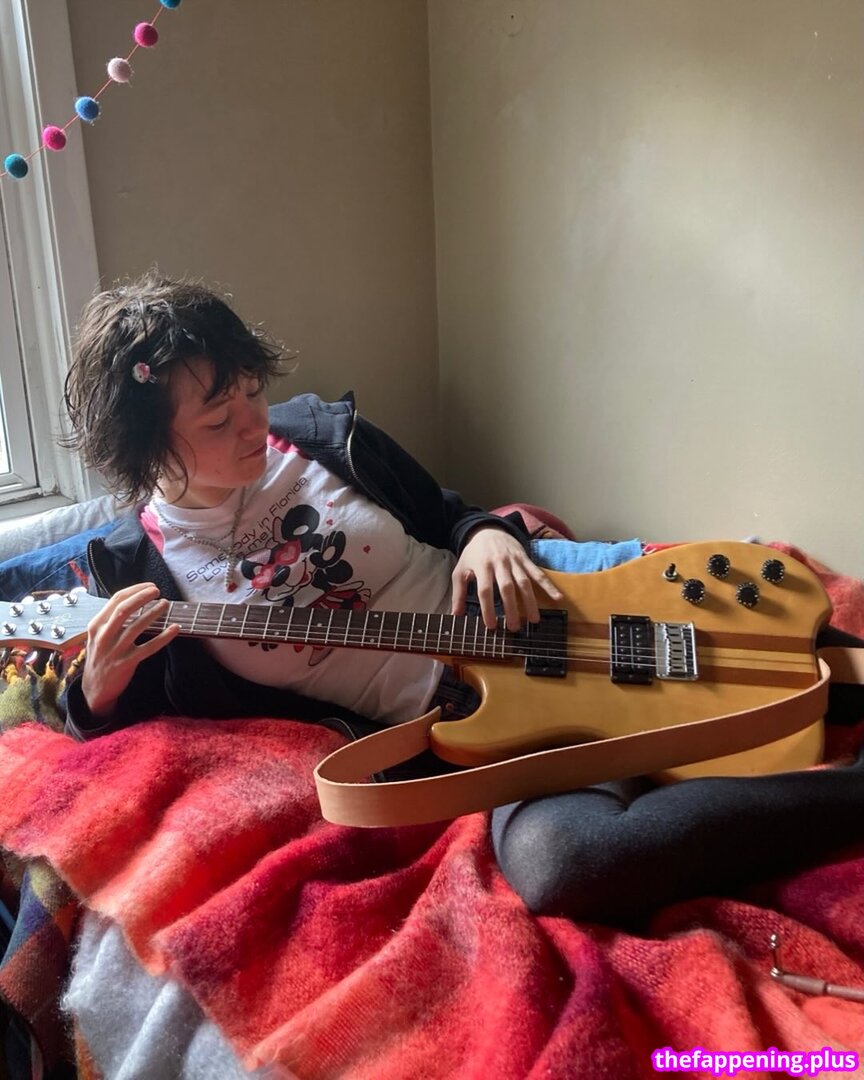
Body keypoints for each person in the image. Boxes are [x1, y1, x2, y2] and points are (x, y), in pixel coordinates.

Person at [61, 272, 864, 926]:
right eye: (217, 418)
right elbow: (137, 723)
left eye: (251, 393)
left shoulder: (319, 437)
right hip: (479, 726)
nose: (251, 424)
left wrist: (484, 535)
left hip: (539, 605)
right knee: (562, 864)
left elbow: (450, 510)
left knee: (777, 634)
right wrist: (93, 696)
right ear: (147, 443)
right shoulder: (142, 569)